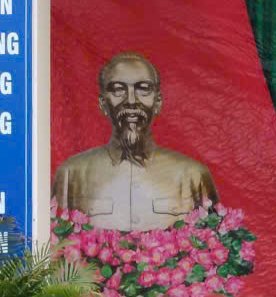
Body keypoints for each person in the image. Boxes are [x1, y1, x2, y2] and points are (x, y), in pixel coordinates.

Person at [53, 51, 218, 231]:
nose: (131, 101)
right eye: (118, 89)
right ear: (103, 103)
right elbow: (52, 242)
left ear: (158, 102)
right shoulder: (70, 175)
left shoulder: (193, 176)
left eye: (143, 89)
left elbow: (214, 241)